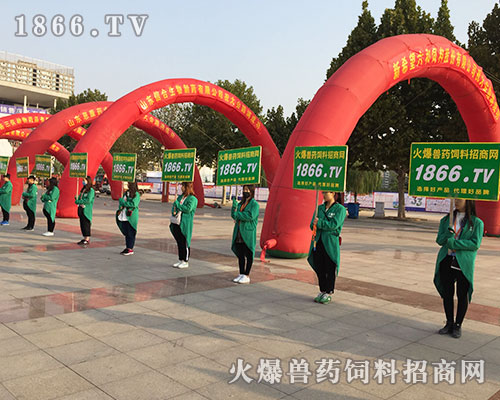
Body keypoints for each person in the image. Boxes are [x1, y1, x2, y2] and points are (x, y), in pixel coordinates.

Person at [434, 198, 484, 339]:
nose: (456, 201)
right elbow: (439, 240)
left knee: (462, 295)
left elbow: (475, 243)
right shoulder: (446, 220)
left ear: (468, 201)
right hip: (447, 260)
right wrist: (447, 236)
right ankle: (449, 322)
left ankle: (458, 325)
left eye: (460, 199)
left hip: (463, 262)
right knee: (447, 293)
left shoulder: (477, 223)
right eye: (455, 199)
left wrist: (455, 243)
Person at [308, 192, 346, 304]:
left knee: (329, 267)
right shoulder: (319, 208)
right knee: (320, 267)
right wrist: (315, 224)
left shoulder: (340, 209)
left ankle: (329, 292)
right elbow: (311, 224)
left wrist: (320, 223)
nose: (323, 194)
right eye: (323, 192)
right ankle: (322, 290)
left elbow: (334, 225)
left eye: (326, 192)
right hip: (318, 241)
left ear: (333, 193)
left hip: (330, 243)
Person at [231, 185, 259, 284]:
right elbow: (234, 215)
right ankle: (241, 273)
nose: (245, 191)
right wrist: (234, 206)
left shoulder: (254, 204)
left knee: (249, 253)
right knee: (240, 254)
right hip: (239, 232)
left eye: (247, 190)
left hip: (248, 232)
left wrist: (238, 214)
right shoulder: (241, 203)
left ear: (252, 191)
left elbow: (250, 216)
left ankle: (247, 275)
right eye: (244, 190)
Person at [170, 182, 198, 268]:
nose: (181, 188)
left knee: (185, 241)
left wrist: (178, 205)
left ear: (187, 187)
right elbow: (174, 206)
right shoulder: (180, 197)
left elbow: (188, 209)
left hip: (185, 223)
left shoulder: (192, 199)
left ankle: (185, 261)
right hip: (177, 222)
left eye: (182, 186)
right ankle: (180, 259)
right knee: (179, 241)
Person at [116, 181, 140, 255]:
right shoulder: (126, 193)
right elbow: (122, 202)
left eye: (129, 183)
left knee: (131, 232)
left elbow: (134, 204)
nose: (127, 184)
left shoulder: (136, 194)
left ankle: (130, 248)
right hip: (124, 215)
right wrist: (121, 204)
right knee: (126, 232)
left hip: (131, 216)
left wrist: (123, 203)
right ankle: (127, 247)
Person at [75, 176, 95, 247]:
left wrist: (79, 201)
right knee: (82, 224)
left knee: (86, 223)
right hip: (81, 209)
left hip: (86, 209)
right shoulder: (83, 189)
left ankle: (87, 238)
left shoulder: (91, 190)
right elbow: (80, 197)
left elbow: (88, 200)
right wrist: (77, 199)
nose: (83, 182)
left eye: (84, 180)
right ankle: (84, 237)